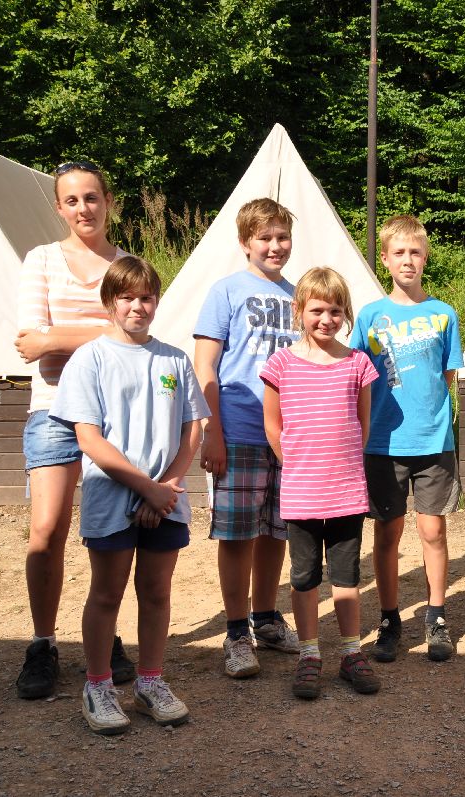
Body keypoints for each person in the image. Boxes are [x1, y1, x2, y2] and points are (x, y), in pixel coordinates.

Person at [49, 255, 208, 734]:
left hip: (167, 500)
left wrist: (167, 487)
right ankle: (98, 685)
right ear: (109, 302)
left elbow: (192, 429)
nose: (138, 306)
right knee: (107, 593)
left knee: (156, 592)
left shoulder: (174, 359)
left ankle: (149, 681)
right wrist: (146, 489)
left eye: (147, 297)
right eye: (127, 297)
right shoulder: (90, 359)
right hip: (113, 497)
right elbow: (89, 438)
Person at [14, 161, 135, 699]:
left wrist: (59, 336)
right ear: (59, 207)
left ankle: (104, 636)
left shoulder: (126, 265)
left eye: (91, 197)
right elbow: (30, 342)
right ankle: (42, 643)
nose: (83, 208)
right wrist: (102, 331)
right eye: (72, 200)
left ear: (107, 200)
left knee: (108, 533)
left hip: (115, 414)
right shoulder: (41, 259)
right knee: (46, 531)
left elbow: (134, 334)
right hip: (54, 409)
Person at [193, 198, 300, 679]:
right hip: (238, 429)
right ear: (245, 243)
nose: (275, 246)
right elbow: (205, 365)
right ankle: (236, 632)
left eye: (282, 236)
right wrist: (211, 431)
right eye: (265, 237)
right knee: (237, 535)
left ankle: (267, 618)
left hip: (288, 436)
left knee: (276, 532)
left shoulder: (298, 295)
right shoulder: (226, 291)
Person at [261, 268, 380, 698]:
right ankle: (309, 654)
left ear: (345, 313)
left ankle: (351, 652)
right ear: (299, 311)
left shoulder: (358, 363)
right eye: (317, 310)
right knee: (304, 576)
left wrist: (342, 466)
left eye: (335, 310)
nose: (326, 319)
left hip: (347, 491)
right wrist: (296, 465)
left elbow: (362, 424)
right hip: (301, 492)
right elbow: (272, 425)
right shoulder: (281, 364)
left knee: (346, 576)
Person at [352, 216, 464, 664]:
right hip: (382, 442)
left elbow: (447, 375)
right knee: (387, 533)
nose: (407, 260)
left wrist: (432, 418)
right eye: (398, 252)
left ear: (426, 257)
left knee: (433, 530)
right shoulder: (369, 315)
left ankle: (436, 617)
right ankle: (389, 619)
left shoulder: (444, 314)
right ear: (384, 259)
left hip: (433, 441)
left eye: (415, 252)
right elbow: (357, 376)